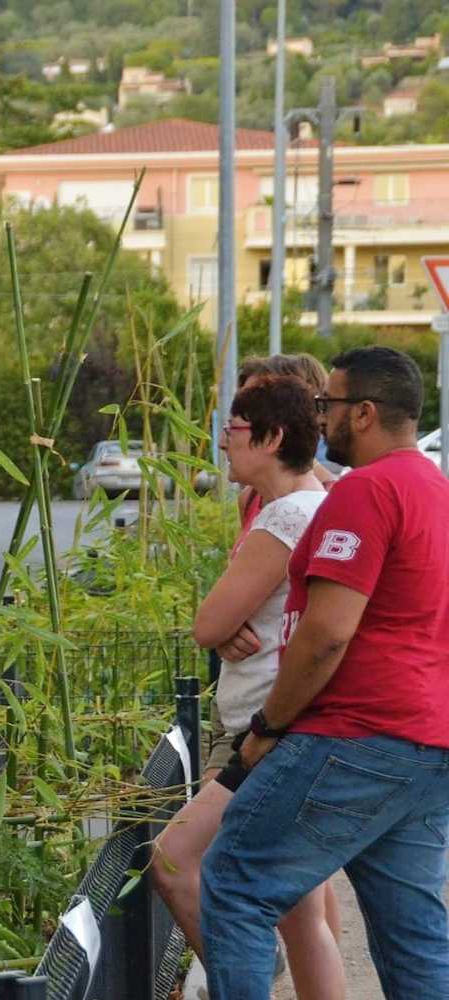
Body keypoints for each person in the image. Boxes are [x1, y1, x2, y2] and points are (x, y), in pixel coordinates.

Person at [200, 346, 449, 999]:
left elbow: (326, 637)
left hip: (357, 733)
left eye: (328, 404)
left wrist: (269, 727)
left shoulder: (368, 491)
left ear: (363, 413)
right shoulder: (437, 491)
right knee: (413, 932)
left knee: (233, 880)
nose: (321, 417)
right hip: (429, 742)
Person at [153, 376, 343, 999]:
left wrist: (224, 624)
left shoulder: (287, 516)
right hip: (295, 724)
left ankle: (245, 980)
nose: (223, 445)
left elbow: (208, 623)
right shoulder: (320, 502)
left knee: (178, 860)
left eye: (233, 431)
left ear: (271, 436)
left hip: (262, 731)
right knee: (302, 911)